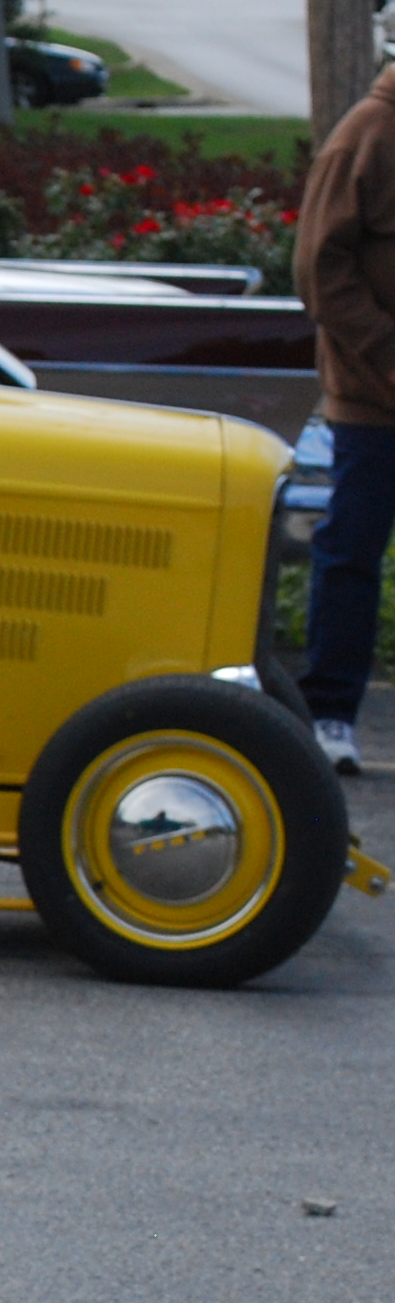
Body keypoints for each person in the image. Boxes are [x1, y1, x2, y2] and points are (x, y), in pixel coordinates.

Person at [295, 60, 395, 775]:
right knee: (352, 553)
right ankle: (328, 713)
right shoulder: (367, 133)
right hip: (374, 400)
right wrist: (387, 355)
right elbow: (318, 268)